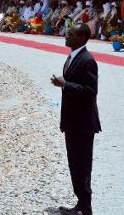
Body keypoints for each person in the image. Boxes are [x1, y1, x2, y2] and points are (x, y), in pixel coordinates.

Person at [51, 23, 101, 215]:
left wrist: (66, 85)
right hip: (72, 122)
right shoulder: (72, 57)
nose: (66, 35)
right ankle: (80, 205)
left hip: (83, 124)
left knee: (82, 166)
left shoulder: (87, 60)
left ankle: (85, 208)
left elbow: (90, 91)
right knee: (75, 165)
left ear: (81, 38)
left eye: (71, 34)